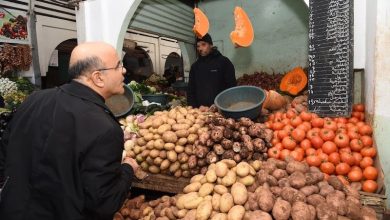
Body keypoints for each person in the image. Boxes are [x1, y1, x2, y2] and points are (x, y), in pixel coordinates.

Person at [0, 42, 139, 220]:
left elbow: (4, 158)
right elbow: (104, 203)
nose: (124, 70)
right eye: (119, 65)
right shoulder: (105, 128)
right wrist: (127, 169)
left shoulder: (33, 100)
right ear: (98, 77)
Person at [187, 33, 237, 107]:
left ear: (211, 45)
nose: (200, 48)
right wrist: (194, 108)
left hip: (220, 110)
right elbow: (191, 90)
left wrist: (221, 105)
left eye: (203, 44)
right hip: (200, 112)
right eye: (198, 46)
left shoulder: (224, 62)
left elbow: (231, 87)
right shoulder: (195, 67)